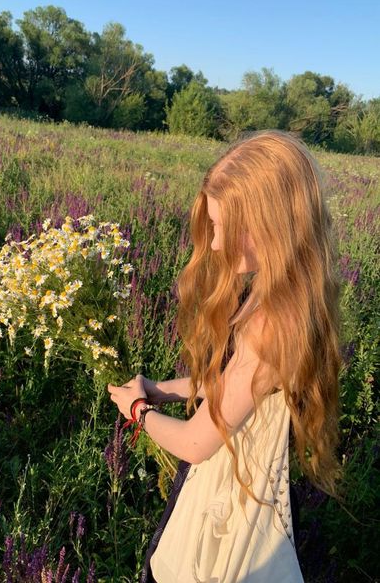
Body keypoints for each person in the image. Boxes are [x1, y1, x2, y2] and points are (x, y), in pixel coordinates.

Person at [107, 129, 343, 582]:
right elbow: (234, 387)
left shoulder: (272, 324)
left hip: (233, 494)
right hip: (238, 474)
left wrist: (138, 411)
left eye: (224, 228)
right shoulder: (287, 295)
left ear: (272, 224)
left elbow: (196, 444)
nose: (214, 243)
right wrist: (161, 390)